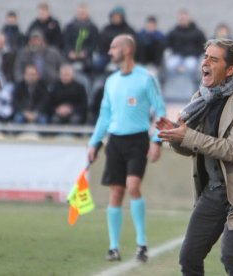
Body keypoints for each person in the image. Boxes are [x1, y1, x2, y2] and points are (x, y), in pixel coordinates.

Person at [156, 38, 233, 276]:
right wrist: (176, 136)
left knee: (230, 255)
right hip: (214, 190)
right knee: (189, 257)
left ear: (231, 69)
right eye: (205, 57)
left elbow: (232, 150)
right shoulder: (201, 98)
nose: (205, 62)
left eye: (213, 59)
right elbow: (191, 146)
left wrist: (188, 135)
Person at [88, 34, 166, 262]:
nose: (109, 51)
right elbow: (104, 115)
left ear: (127, 50)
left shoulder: (145, 78)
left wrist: (157, 140)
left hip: (138, 140)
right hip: (115, 141)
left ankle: (141, 243)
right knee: (116, 192)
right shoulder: (111, 80)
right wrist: (94, 142)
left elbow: (160, 111)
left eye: (113, 47)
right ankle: (114, 247)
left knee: (132, 186)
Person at [93, 6, 137, 74]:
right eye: (114, 16)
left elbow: (132, 45)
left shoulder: (129, 30)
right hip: (107, 55)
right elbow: (101, 44)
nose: (115, 18)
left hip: (123, 56)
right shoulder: (106, 29)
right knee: (97, 64)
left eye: (117, 16)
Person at [63, 3, 99, 75]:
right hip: (71, 55)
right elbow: (65, 42)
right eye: (80, 13)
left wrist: (85, 52)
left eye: (83, 13)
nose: (82, 14)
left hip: (87, 57)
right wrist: (69, 52)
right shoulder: (69, 27)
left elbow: (94, 44)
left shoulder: (93, 28)